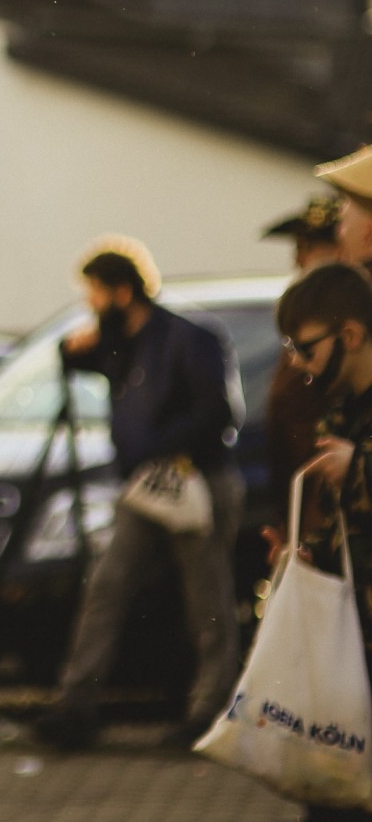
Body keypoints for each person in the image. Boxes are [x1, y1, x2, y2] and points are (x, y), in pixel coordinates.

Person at [35, 239, 245, 752]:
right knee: (106, 586)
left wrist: (160, 444)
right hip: (144, 489)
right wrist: (69, 352)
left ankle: (211, 709)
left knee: (207, 600)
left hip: (191, 482)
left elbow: (218, 411)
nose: (91, 307)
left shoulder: (186, 339)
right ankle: (76, 703)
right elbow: (87, 364)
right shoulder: (121, 345)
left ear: (123, 292)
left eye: (96, 295)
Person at [273, 261, 372, 822]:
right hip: (347, 643)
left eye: (305, 347)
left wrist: (358, 466)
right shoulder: (338, 405)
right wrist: (305, 555)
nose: (296, 362)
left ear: (351, 336)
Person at [264, 197, 344, 524]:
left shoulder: (345, 319)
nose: (299, 259)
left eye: (310, 246)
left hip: (327, 489)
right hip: (297, 485)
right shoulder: (307, 313)